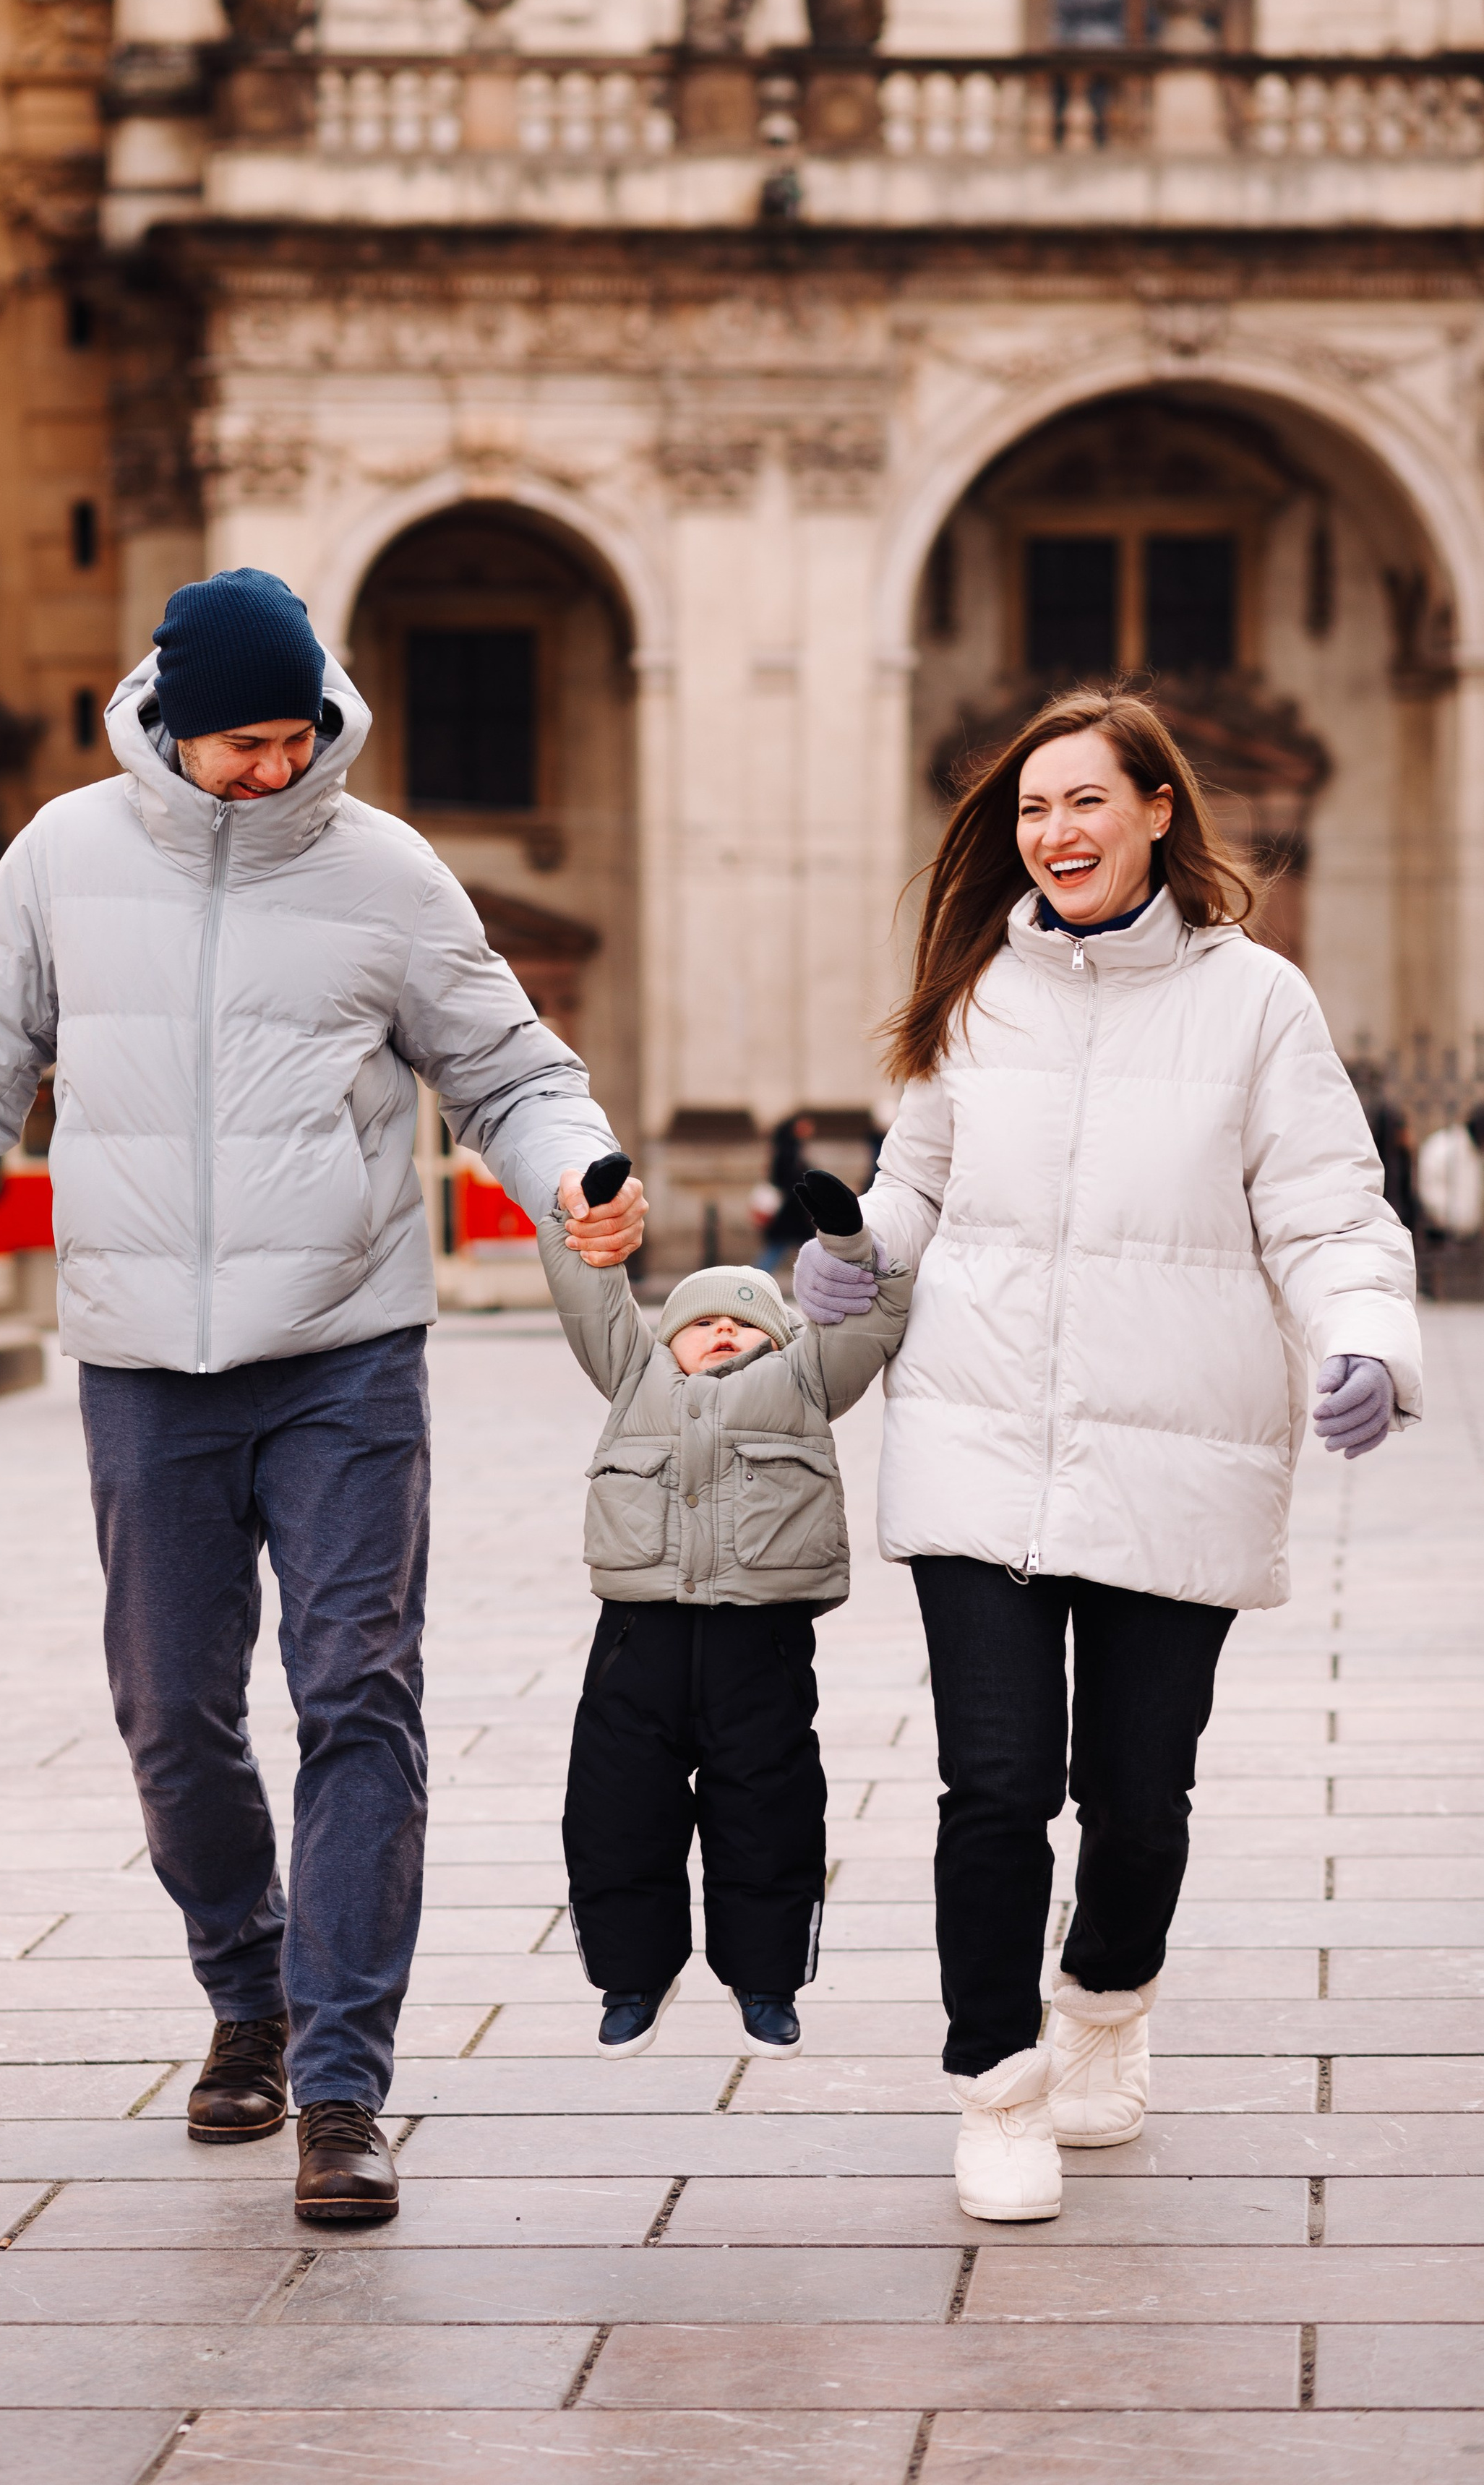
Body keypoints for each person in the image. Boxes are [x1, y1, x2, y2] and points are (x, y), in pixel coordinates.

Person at [0, 567, 644, 2228]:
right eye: (236, 745)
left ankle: (340, 2079)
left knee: (356, 1699)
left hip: (342, 1352)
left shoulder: (384, 870)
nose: (267, 769)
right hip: (143, 1368)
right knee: (173, 1717)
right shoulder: (61, 857)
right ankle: (245, 1994)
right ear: (165, 724)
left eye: (289, 738)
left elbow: (508, 1071)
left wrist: (575, 1176)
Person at [795, 687, 1420, 2224]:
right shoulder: (971, 995)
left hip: (1176, 1447)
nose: (1051, 831)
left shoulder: (1255, 1004)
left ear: (1155, 812)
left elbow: (1329, 1210)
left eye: (1082, 801)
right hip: (979, 1440)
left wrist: (1364, 1337)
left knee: (1134, 1797)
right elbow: (916, 1189)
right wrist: (853, 1255)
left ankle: (1102, 2005)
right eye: (1027, 808)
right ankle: (996, 2085)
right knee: (992, 1785)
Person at [539, 1158, 910, 2061]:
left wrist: (847, 1242)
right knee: (616, 1808)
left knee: (769, 1812)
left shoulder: (804, 1379)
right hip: (639, 1638)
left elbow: (873, 1313)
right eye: (699, 1322)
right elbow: (589, 1290)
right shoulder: (634, 1374)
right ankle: (632, 1974)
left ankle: (766, 1979)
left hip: (762, 1644)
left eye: (742, 1323)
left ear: (777, 1340)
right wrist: (581, 1216)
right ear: (664, 1339)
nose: (718, 1334)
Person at [758, 1112, 818, 1278]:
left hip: (793, 1210)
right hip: (791, 1209)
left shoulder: (791, 1148)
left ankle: (755, 1279)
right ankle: (755, 1280)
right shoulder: (789, 1150)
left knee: (800, 1247)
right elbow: (788, 1180)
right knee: (806, 1247)